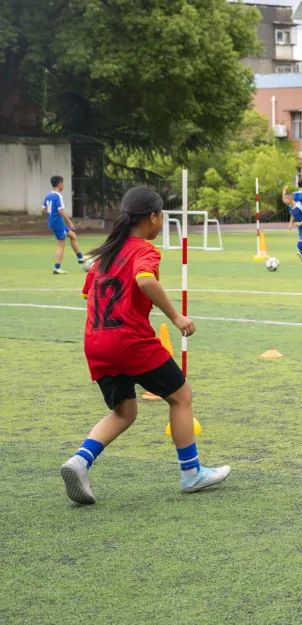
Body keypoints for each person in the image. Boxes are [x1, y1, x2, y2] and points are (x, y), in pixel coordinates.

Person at [60, 186, 230, 505]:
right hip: (130, 341)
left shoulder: (106, 255)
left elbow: (88, 295)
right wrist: (176, 317)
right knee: (181, 397)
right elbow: (145, 279)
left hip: (96, 342)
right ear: (152, 217)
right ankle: (191, 473)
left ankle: (79, 461)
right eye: (161, 216)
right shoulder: (143, 251)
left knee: (124, 411)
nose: (161, 222)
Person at [42, 175, 85, 274]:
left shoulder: (48, 195)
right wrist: (70, 222)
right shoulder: (58, 196)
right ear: (59, 184)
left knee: (73, 235)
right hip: (58, 222)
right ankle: (57, 268)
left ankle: (80, 257)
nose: (63, 185)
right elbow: (61, 211)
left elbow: (43, 209)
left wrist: (51, 214)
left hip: (54, 222)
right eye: (63, 183)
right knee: (61, 243)